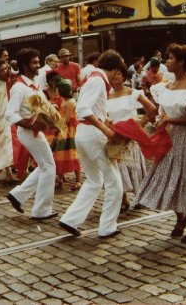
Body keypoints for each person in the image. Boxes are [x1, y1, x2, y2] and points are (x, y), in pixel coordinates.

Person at [133, 44, 186, 244]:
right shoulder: (167, 85)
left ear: (181, 62)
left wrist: (169, 120)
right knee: (168, 178)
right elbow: (167, 111)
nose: (166, 62)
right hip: (171, 137)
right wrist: (161, 121)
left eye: (170, 58)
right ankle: (181, 217)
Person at [58, 50, 126, 239]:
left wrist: (107, 119)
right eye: (119, 71)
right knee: (114, 183)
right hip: (93, 134)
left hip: (83, 134)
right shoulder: (98, 81)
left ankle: (70, 219)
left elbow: (92, 108)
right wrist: (106, 130)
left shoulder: (94, 78)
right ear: (114, 69)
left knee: (94, 180)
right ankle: (107, 227)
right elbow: (84, 109)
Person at [6, 48, 59, 220]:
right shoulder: (19, 87)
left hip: (35, 132)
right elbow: (10, 114)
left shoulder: (33, 85)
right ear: (24, 65)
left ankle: (18, 195)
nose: (38, 65)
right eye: (34, 62)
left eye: (38, 62)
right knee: (49, 167)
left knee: (45, 166)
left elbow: (43, 107)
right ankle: (41, 210)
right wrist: (30, 125)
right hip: (29, 133)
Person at [106, 66, 157, 211]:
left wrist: (140, 124)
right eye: (113, 74)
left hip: (131, 136)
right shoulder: (107, 95)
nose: (115, 77)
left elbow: (151, 108)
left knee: (133, 165)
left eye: (119, 74)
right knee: (118, 167)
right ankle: (123, 199)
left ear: (124, 76)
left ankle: (140, 196)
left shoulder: (132, 92)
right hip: (115, 135)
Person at [50, 79, 82, 190]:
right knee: (59, 152)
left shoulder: (71, 102)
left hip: (68, 130)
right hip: (62, 129)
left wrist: (57, 125)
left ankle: (78, 180)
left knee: (71, 152)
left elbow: (67, 120)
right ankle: (60, 178)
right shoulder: (64, 100)